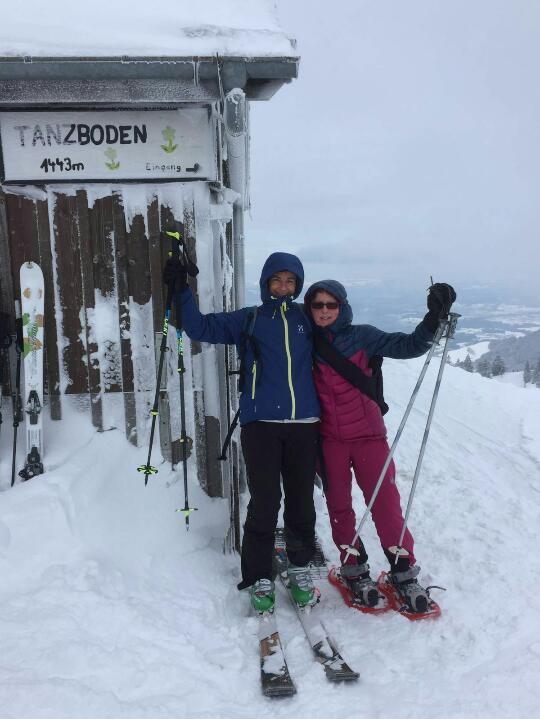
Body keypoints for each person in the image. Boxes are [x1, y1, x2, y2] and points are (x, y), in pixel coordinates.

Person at [165, 251, 321, 612]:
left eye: (290, 281)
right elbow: (199, 327)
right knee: (265, 501)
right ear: (266, 283)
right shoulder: (250, 318)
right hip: (261, 425)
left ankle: (299, 567)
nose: (283, 286)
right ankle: (258, 575)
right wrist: (181, 289)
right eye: (277, 280)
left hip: (304, 425)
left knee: (301, 502)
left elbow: (345, 335)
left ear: (298, 285)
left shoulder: (307, 318)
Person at [303, 279, 456, 613]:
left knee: (386, 504)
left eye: (331, 304)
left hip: (369, 437)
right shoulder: (305, 342)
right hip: (329, 441)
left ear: (342, 306)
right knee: (339, 506)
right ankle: (354, 570)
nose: (325, 311)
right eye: (318, 305)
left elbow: (409, 345)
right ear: (309, 308)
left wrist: (433, 318)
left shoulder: (363, 336)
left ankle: (403, 571)